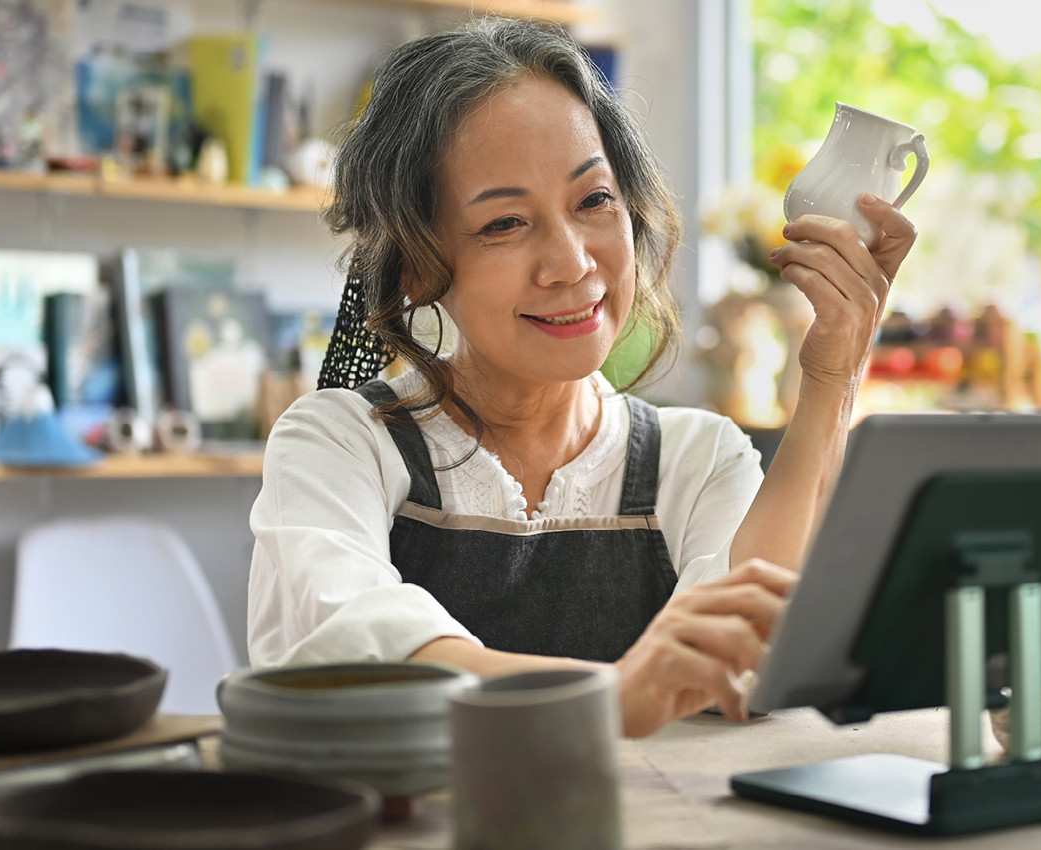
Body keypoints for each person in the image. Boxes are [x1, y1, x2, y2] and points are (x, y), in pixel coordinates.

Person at [246, 17, 917, 738]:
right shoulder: (340, 444)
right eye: (505, 223)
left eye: (593, 200)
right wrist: (618, 693)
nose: (570, 263)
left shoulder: (696, 460)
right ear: (417, 265)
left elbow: (752, 666)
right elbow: (360, 657)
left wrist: (833, 375)